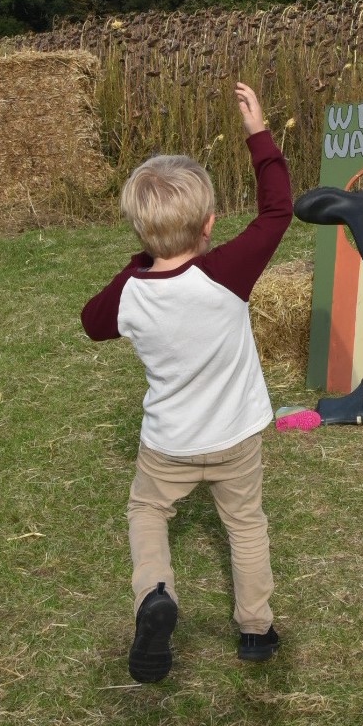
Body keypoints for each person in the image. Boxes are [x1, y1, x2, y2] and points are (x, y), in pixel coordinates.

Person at [81, 83, 292, 683]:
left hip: (168, 444)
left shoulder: (130, 291)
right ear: (209, 224)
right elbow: (277, 211)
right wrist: (258, 134)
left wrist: (138, 263)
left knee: (147, 511)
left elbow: (91, 323)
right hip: (236, 437)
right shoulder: (227, 272)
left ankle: (155, 594)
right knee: (245, 524)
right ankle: (255, 630)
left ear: (140, 231)